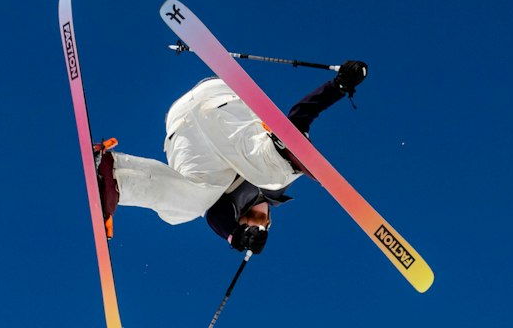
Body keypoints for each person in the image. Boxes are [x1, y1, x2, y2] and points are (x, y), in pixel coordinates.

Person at [95, 61, 368, 254]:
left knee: (178, 212)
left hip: (182, 128)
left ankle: (114, 178)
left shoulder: (227, 207)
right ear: (270, 219)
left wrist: (235, 236)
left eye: (249, 226)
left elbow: (215, 216)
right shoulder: (275, 186)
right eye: (261, 223)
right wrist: (338, 85)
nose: (253, 221)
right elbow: (301, 114)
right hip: (220, 104)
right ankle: (286, 150)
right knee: (274, 176)